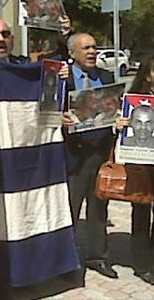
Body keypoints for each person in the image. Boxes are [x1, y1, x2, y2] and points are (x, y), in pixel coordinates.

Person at [116, 52, 154, 286]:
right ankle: (142, 265)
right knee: (141, 214)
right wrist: (120, 124)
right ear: (148, 75)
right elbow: (122, 131)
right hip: (141, 166)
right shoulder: (134, 100)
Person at [61, 32, 117, 279]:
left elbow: (115, 108)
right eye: (86, 48)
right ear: (72, 53)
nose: (92, 52)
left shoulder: (106, 78)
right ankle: (66, 262)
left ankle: (98, 257)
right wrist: (57, 119)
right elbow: (45, 111)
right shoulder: (62, 79)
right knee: (69, 210)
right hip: (72, 153)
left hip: (99, 152)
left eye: (95, 47)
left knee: (98, 209)